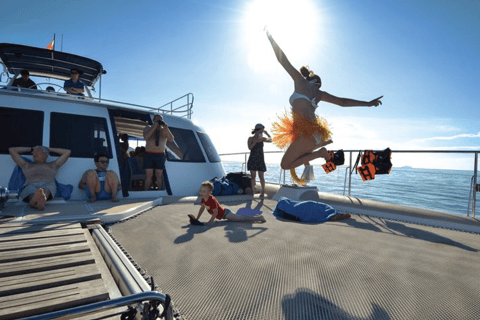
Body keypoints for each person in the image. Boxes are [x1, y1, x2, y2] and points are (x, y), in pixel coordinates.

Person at [266, 30, 382, 171]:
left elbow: (283, 61)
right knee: (290, 162)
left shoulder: (300, 82)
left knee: (285, 165)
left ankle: (320, 152)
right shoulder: (319, 93)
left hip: (306, 134)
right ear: (317, 83)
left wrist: (271, 40)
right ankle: (319, 148)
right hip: (312, 134)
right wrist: (368, 104)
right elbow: (343, 102)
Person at [9, 146, 71, 210]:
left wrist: (49, 149)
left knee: (46, 190)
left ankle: (36, 201)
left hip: (48, 184)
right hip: (31, 184)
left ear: (45, 155)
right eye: (33, 153)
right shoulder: (26, 165)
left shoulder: (53, 165)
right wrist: (31, 148)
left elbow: (67, 152)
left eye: (39, 152)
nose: (34, 154)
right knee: (31, 191)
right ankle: (36, 200)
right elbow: (11, 150)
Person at [195, 181, 266, 225]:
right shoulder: (203, 198)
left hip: (226, 214)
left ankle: (258, 218)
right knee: (241, 218)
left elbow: (215, 212)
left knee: (242, 219)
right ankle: (258, 217)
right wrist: (197, 219)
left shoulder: (211, 200)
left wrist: (210, 222)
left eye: (204, 191)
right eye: (200, 191)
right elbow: (202, 209)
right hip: (224, 214)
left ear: (209, 192)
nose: (201, 193)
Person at [143, 114, 174, 190]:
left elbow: (171, 139)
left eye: (160, 120)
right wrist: (154, 126)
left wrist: (166, 128)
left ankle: (159, 191)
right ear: (153, 121)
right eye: (157, 120)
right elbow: (146, 136)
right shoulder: (148, 128)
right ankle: (146, 192)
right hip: (149, 154)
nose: (159, 121)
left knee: (159, 175)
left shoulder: (164, 130)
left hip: (160, 155)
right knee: (148, 175)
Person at [247, 123, 271, 198]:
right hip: (253, 158)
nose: (261, 133)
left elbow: (271, 140)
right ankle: (253, 191)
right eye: (261, 131)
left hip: (260, 158)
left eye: (262, 131)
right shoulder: (251, 138)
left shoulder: (262, 139)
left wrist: (267, 134)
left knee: (261, 176)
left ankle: (263, 192)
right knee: (253, 176)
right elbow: (250, 148)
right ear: (257, 131)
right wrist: (256, 141)